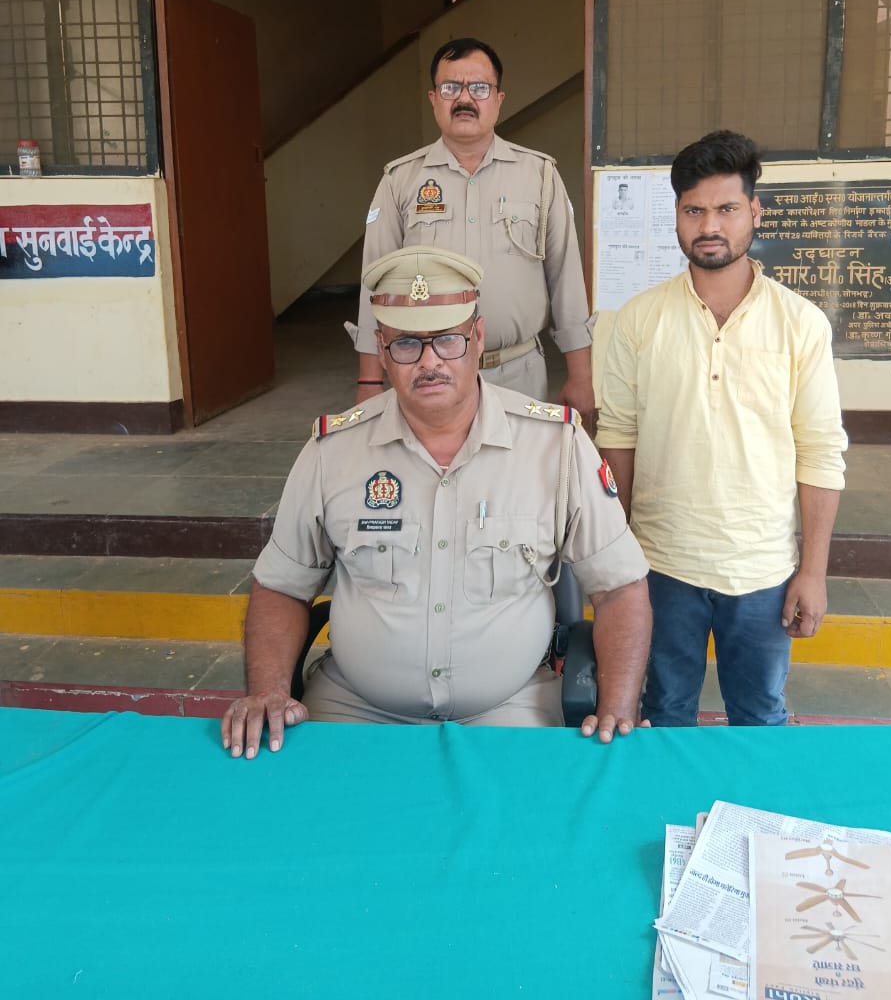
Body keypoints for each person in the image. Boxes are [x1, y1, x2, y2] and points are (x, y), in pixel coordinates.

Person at [223, 246, 652, 758]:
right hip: (354, 706)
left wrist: (618, 707)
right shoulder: (332, 452)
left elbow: (620, 589)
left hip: (512, 707)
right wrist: (268, 691)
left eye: (448, 339)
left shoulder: (555, 446)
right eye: (407, 344)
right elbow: (281, 586)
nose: (429, 362)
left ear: (478, 337)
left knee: (533, 808)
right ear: (381, 350)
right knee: (309, 805)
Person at [596, 130, 847, 728]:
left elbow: (820, 452)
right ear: (677, 216)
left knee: (760, 717)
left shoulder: (801, 324)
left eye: (727, 208)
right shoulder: (639, 320)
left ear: (754, 211)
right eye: (694, 210)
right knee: (664, 713)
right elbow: (618, 439)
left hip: (762, 569)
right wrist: (615, 559)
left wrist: (812, 572)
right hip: (661, 565)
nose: (710, 225)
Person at [351, 37, 596, 424]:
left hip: (518, 373)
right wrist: (369, 381)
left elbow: (565, 277)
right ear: (434, 99)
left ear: (498, 99)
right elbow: (375, 283)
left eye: (479, 88)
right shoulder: (400, 180)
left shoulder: (539, 175)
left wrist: (581, 375)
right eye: (451, 87)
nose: (464, 98)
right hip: (427, 374)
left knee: (520, 464)